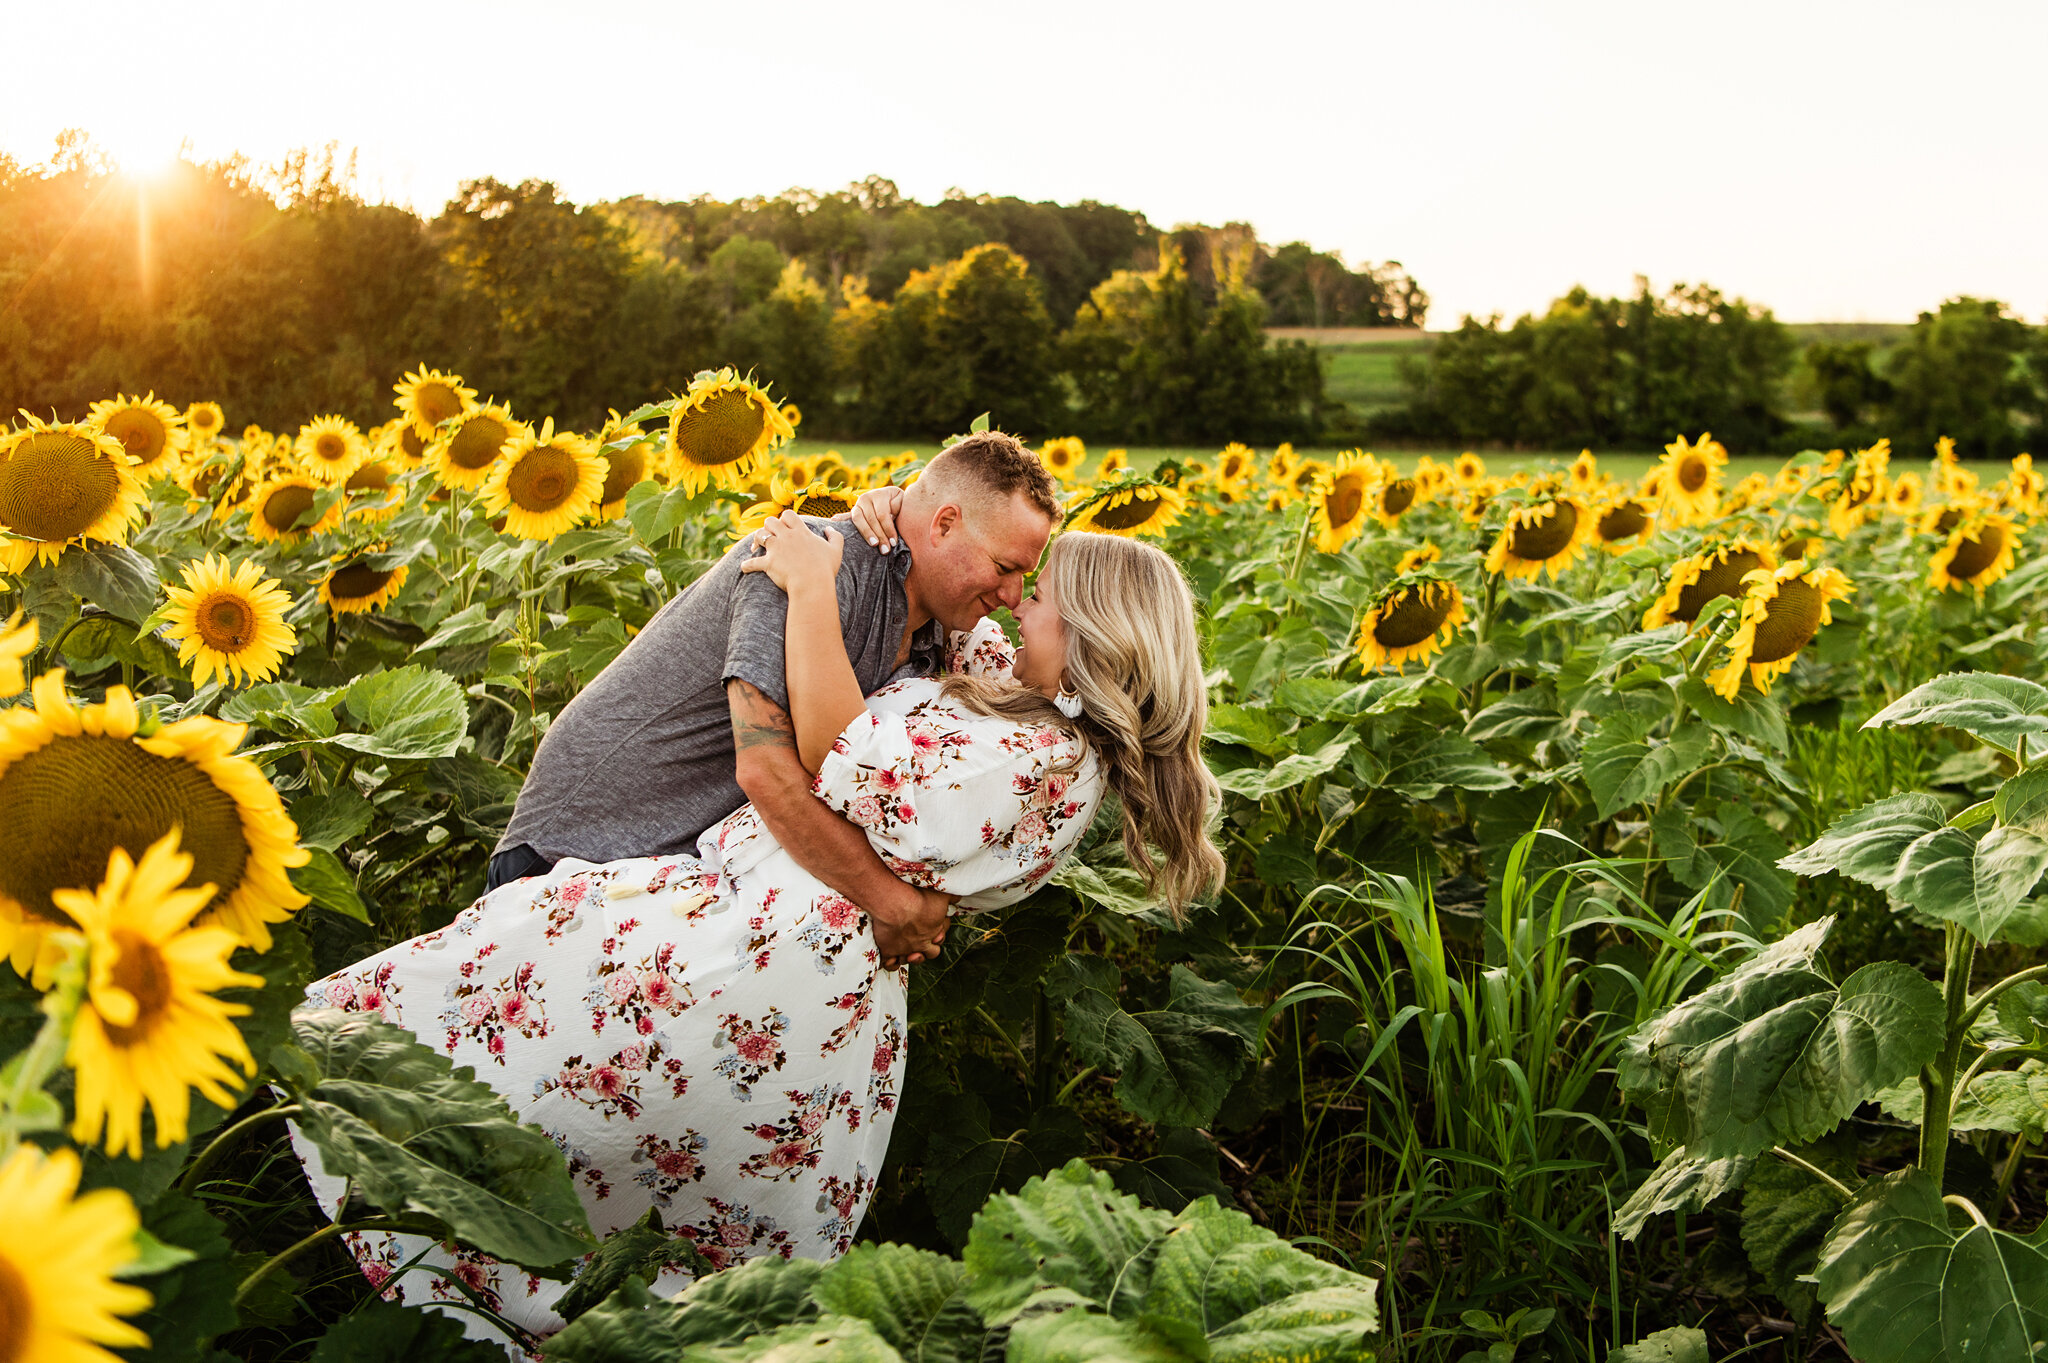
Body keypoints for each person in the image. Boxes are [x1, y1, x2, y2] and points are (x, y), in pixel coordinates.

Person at [290, 516, 1223, 1355]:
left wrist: (815, 588)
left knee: (531, 1086)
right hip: (772, 942)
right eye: (1023, 584)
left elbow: (840, 752)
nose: (1018, 607)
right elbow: (955, 584)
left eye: (1044, 600)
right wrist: (886, 510)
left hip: (764, 965)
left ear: (1098, 637)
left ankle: (449, 1270)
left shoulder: (1042, 761)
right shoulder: (1035, 709)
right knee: (572, 1108)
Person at [489, 430, 1060, 963]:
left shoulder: (938, 636)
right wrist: (896, 906)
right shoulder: (801, 561)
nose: (1013, 596)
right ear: (944, 525)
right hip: (572, 852)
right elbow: (764, 767)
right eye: (1004, 567)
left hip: (666, 890)